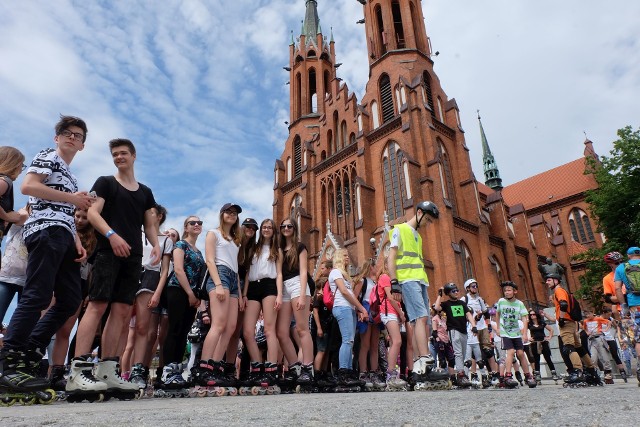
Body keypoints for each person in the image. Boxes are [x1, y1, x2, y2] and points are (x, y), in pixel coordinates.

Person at [0, 116, 94, 395]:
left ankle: (31, 347)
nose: (72, 138)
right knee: (37, 295)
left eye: (77, 136)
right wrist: (74, 199)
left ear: (82, 145)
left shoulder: (71, 175)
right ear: (57, 138)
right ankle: (11, 360)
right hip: (44, 230)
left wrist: (77, 240)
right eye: (67, 133)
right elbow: (29, 187)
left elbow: (65, 211)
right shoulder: (48, 156)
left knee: (70, 299)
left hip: (63, 235)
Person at [73, 138, 159, 395]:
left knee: (122, 311)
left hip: (133, 257)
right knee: (98, 305)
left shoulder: (145, 192)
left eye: (123, 153)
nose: (118, 157)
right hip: (108, 252)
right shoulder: (105, 182)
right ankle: (79, 370)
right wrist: (112, 235)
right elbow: (93, 214)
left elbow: (149, 224)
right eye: (114, 154)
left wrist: (155, 245)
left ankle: (109, 371)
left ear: (134, 156)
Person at [387, 200, 446, 386]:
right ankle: (426, 360)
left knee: (421, 320)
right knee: (420, 317)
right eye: (427, 220)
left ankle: (419, 365)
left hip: (420, 280)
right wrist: (394, 282)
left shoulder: (418, 237)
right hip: (407, 279)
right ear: (419, 213)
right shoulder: (399, 230)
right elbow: (391, 257)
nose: (428, 224)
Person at [196, 203, 242, 388]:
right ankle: (204, 368)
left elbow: (236, 268)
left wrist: (238, 291)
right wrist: (217, 284)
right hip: (220, 275)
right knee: (219, 324)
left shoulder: (234, 240)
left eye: (235, 213)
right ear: (222, 215)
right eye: (229, 212)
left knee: (230, 328)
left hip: (233, 280)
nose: (232, 215)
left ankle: (215, 367)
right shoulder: (213, 234)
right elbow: (209, 259)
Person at [128, 204, 172, 391]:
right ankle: (115, 367)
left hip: (151, 277)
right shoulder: (135, 233)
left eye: (151, 213)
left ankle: (138, 370)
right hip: (131, 274)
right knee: (122, 324)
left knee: (143, 327)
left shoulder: (166, 240)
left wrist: (158, 292)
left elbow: (164, 271)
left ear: (159, 216)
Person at [159, 216, 205, 390]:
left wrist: (196, 296)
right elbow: (178, 269)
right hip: (178, 290)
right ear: (186, 227)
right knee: (175, 329)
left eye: (199, 223)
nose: (196, 225)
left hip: (191, 296)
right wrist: (189, 293)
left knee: (184, 332)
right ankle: (167, 371)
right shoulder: (180, 245)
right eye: (192, 223)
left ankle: (176, 370)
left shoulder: (199, 252)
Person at [241, 219, 283, 390]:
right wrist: (244, 293)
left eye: (270, 227)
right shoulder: (254, 248)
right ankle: (257, 367)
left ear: (273, 231)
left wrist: (280, 294)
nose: (266, 229)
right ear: (261, 230)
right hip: (252, 287)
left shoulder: (277, 250)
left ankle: (271, 369)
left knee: (269, 329)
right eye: (264, 227)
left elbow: (279, 274)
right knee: (248, 331)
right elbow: (247, 273)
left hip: (269, 285)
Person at [276, 218, 314, 387]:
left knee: (302, 329)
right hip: (283, 288)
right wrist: (278, 294)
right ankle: (294, 368)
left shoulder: (300, 247)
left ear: (294, 228)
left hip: (298, 284)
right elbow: (278, 274)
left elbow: (304, 271)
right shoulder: (278, 249)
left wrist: (301, 294)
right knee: (281, 332)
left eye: (289, 226)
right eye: (283, 226)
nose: (286, 228)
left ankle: (308, 368)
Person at [547, 273, 599, 386]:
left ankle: (578, 371)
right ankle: (592, 371)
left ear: (556, 281)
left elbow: (563, 304)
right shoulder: (562, 291)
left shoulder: (559, 290)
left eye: (549, 280)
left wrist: (561, 318)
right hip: (570, 322)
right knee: (578, 347)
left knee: (568, 347)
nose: (547, 282)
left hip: (565, 322)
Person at [329, 249, 369, 389]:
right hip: (342, 307)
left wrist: (356, 309)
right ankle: (343, 374)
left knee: (349, 341)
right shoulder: (335, 272)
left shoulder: (345, 275)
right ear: (339, 257)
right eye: (345, 255)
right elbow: (344, 292)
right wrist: (361, 308)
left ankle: (348, 372)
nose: (347, 257)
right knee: (347, 340)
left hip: (349, 309)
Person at [433, 282, 477, 387]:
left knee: (463, 352)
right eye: (453, 291)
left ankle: (460, 374)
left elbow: (468, 314)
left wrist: (474, 326)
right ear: (448, 293)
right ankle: (461, 375)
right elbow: (437, 307)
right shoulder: (447, 304)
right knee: (458, 353)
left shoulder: (462, 303)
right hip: (453, 330)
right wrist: (440, 295)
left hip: (463, 331)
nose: (456, 292)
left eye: (457, 290)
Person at [494, 281, 536, 388]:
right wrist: (498, 328)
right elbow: (497, 314)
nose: (506, 292)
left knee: (521, 353)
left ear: (515, 291)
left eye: (509, 290)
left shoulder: (519, 304)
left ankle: (528, 376)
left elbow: (524, 318)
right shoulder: (501, 301)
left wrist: (525, 334)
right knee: (511, 352)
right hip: (505, 332)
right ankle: (508, 376)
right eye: (505, 291)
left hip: (516, 332)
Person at [353, 260, 384, 390]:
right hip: (365, 311)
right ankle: (363, 373)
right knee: (365, 344)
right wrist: (360, 311)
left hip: (376, 312)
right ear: (370, 267)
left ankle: (373, 372)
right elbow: (354, 297)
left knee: (374, 345)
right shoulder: (362, 281)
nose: (377, 268)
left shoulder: (376, 282)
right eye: (375, 266)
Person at [614, 246, 640, 384]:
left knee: (638, 338)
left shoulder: (621, 268)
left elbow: (617, 288)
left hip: (635, 306)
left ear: (628, 256)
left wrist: (623, 305)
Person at [462, 278, 495, 386]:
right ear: (467, 288)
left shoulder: (480, 299)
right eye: (473, 286)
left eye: (476, 286)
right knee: (473, 353)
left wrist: (489, 325)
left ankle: (493, 375)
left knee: (488, 351)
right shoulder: (464, 299)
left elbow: (486, 313)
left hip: (482, 327)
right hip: (471, 328)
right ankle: (474, 375)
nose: (475, 288)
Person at [0, 146, 29, 247]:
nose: (21, 171)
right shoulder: (5, 181)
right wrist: (6, 216)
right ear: (15, 165)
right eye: (22, 165)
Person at [582, 309, 614, 384]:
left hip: (599, 338)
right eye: (586, 315)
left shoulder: (598, 319)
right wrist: (587, 333)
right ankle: (595, 374)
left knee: (604, 357)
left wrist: (605, 330)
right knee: (593, 357)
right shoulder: (585, 321)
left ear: (592, 313)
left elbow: (609, 322)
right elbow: (585, 328)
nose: (587, 316)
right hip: (591, 340)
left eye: (589, 314)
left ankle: (608, 373)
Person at [526, 309, 558, 384]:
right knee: (536, 360)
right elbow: (522, 332)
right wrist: (528, 338)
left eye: (533, 314)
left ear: (536, 315)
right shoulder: (529, 324)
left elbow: (551, 329)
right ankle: (538, 376)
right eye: (530, 315)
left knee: (548, 358)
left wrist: (549, 337)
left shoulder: (542, 323)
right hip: (534, 343)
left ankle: (554, 374)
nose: (532, 316)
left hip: (543, 342)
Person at [600, 307, 627, 381]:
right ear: (603, 313)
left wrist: (617, 330)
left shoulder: (610, 319)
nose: (609, 316)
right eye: (608, 314)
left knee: (615, 354)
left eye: (610, 314)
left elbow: (616, 327)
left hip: (610, 338)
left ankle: (622, 372)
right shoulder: (598, 319)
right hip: (602, 339)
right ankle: (607, 374)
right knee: (604, 357)